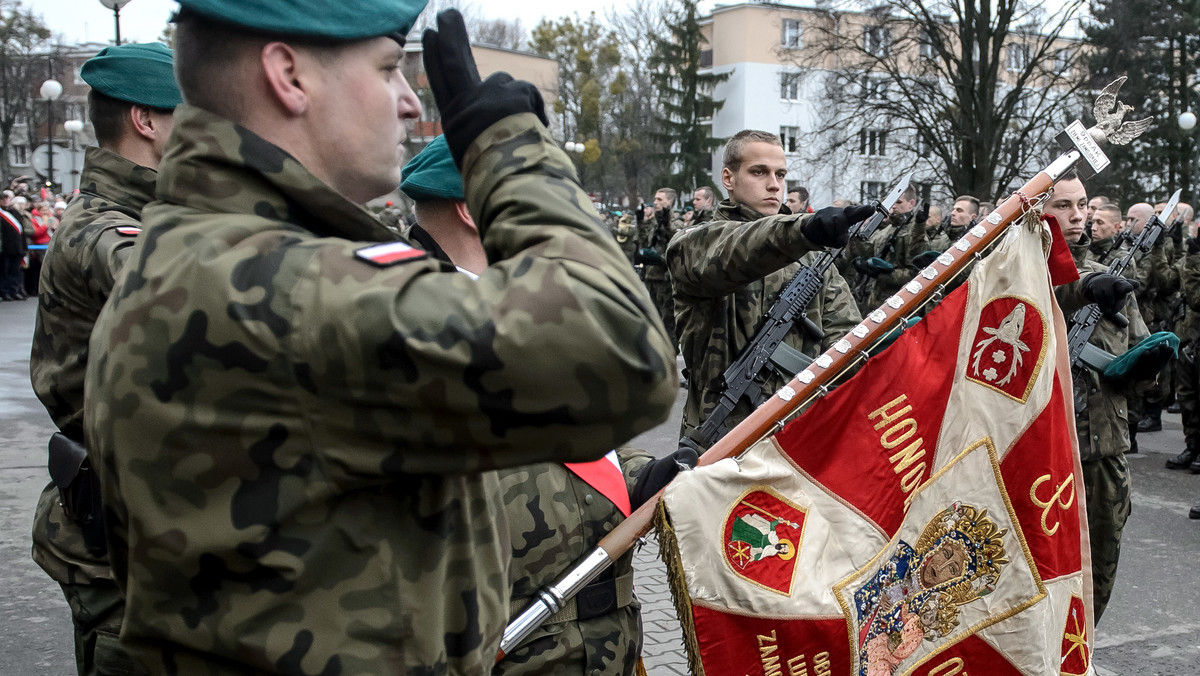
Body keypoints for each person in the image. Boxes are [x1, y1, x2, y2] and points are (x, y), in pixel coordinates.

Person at [83, 4, 677, 674]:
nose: (406, 103)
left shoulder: (215, 254)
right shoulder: (273, 287)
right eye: (390, 69)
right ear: (288, 76)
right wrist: (506, 147)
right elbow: (622, 354)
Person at [399, 135, 692, 674]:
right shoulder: (409, 333)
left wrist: (638, 478)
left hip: (592, 644)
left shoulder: (516, 311)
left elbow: (574, 453)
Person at [28, 42, 180, 676]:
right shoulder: (104, 229)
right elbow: (192, 295)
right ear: (146, 121)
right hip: (121, 548)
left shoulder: (158, 216)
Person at [667, 129, 867, 441]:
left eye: (780, 174)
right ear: (728, 178)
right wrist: (807, 230)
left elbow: (846, 345)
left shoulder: (813, 259)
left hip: (795, 442)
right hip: (718, 443)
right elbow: (739, 248)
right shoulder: (692, 245)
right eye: (759, 172)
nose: (774, 184)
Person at [1048, 172, 1169, 623]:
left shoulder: (1109, 281)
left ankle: (1080, 657)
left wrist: (1144, 365)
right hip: (1040, 453)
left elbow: (1136, 357)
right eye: (1063, 205)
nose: (1079, 215)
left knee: (1097, 573)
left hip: (1103, 451)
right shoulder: (1012, 275)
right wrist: (1082, 291)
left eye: (1082, 205)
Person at [638, 187, 683, 354]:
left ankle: (670, 357)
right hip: (651, 277)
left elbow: (678, 252)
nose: (655, 202)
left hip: (666, 281)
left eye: (659, 199)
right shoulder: (654, 224)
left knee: (668, 323)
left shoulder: (676, 224)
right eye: (655, 199)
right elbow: (645, 244)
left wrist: (660, 259)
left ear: (669, 202)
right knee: (655, 322)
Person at [0, 190, 28, 300]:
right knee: (4, 272)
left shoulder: (13, 212)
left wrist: (24, 247)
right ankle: (4, 291)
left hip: (17, 248)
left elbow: (21, 231)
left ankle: (14, 290)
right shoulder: (2, 215)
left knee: (15, 271)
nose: (6, 200)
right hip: (6, 248)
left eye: (7, 198)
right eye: (3, 199)